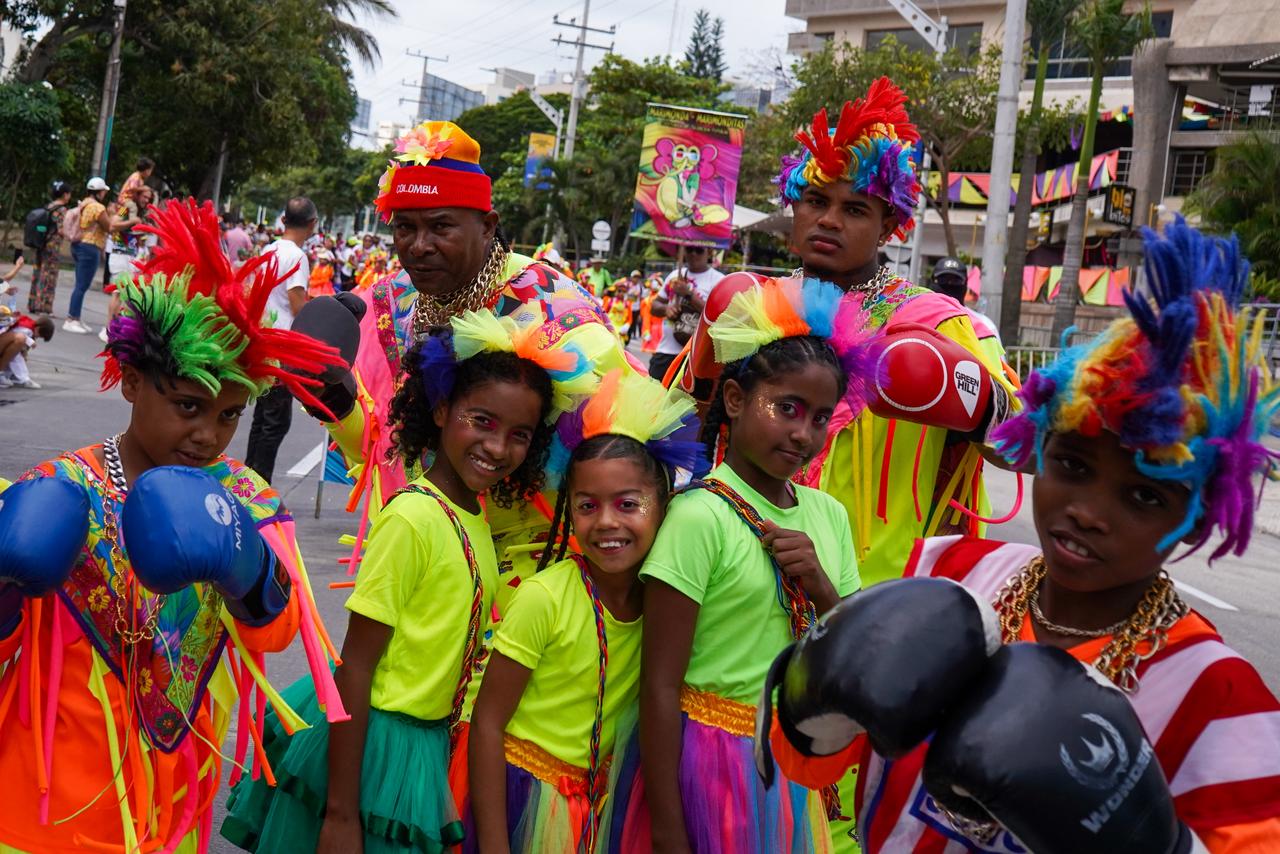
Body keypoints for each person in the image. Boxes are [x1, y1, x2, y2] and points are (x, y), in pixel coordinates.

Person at [766, 220, 1280, 852]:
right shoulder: (947, 567)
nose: (1089, 511)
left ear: (1196, 517)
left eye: (1145, 495)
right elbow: (821, 771)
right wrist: (804, 708)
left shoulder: (1216, 694)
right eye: (1073, 465)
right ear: (1041, 452)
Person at [0, 198, 347, 852]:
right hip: (41, 820)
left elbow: (274, 635)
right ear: (131, 382)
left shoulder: (244, 493)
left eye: (228, 417)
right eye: (188, 406)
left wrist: (245, 563)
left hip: (171, 817)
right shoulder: (59, 488)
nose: (207, 434)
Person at [221, 307, 574, 853]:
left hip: (422, 743)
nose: (498, 447)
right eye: (481, 421)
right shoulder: (413, 518)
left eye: (518, 434)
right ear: (440, 410)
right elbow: (356, 666)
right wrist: (340, 813)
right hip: (373, 743)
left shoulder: (473, 517)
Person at [682, 78, 1016, 591]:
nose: (829, 220)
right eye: (816, 200)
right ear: (794, 207)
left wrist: (971, 399)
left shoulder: (937, 322)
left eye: (856, 209)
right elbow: (681, 428)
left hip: (879, 600)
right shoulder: (748, 305)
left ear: (887, 226)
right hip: (734, 580)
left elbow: (1028, 444)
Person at [296, 121, 625, 589]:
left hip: (529, 581)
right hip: (425, 560)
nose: (419, 246)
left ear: (487, 226)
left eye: (440, 226)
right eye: (405, 228)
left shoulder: (551, 307)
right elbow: (388, 450)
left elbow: (610, 464)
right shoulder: (393, 302)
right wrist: (336, 402)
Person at [608, 278, 867, 853]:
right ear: (734, 400)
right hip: (708, 763)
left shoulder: (830, 515)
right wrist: (670, 829)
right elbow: (658, 684)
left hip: (792, 767)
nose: (804, 433)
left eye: (821, 418)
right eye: (787, 408)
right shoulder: (699, 517)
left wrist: (821, 586)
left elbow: (855, 651)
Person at [465, 370, 704, 854]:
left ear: (662, 505)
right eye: (588, 505)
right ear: (567, 510)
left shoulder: (665, 601)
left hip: (601, 806)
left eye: (628, 504)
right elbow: (487, 723)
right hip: (521, 798)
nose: (607, 522)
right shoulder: (545, 598)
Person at [242, 196, 317, 484]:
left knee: (262, 418)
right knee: (275, 421)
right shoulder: (297, 257)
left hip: (262, 339)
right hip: (283, 345)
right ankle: (259, 485)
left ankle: (249, 478)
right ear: (312, 224)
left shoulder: (269, 249)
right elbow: (297, 303)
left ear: (283, 220)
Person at [649, 246, 724, 383]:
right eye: (689, 250)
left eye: (699, 250)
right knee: (652, 401)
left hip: (696, 358)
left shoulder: (719, 281)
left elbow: (719, 316)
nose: (693, 254)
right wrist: (666, 309)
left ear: (710, 253)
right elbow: (654, 306)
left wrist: (688, 294)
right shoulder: (674, 276)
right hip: (666, 352)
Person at [64, 176, 115, 335]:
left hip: (78, 244)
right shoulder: (98, 208)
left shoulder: (84, 203)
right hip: (90, 246)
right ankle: (72, 319)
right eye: (103, 191)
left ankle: (75, 317)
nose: (104, 194)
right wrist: (112, 213)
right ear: (98, 192)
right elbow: (109, 227)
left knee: (80, 284)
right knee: (82, 285)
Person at [928, 255, 1003, 361]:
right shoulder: (915, 319)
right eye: (943, 280)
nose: (949, 284)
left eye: (956, 281)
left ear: (965, 285)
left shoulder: (985, 326)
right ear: (932, 281)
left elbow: (998, 371)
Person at [26, 180, 71, 315]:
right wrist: (71, 236)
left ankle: (33, 303)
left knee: (38, 272)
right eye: (69, 194)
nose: (69, 197)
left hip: (40, 243)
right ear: (64, 195)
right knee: (49, 275)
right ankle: (44, 306)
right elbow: (61, 229)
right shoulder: (62, 210)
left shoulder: (48, 206)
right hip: (52, 246)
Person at [0, 310, 53, 388]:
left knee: (19, 351)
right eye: (39, 335)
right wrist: (29, 342)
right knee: (18, 350)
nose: (37, 337)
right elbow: (16, 334)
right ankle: (22, 378)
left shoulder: (27, 324)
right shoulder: (27, 328)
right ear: (38, 328)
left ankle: (13, 374)